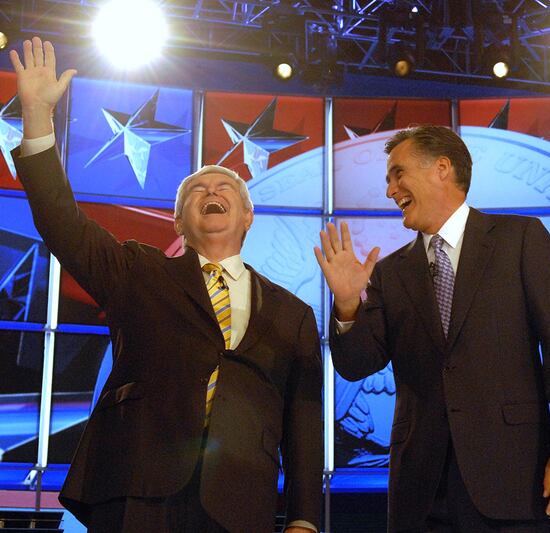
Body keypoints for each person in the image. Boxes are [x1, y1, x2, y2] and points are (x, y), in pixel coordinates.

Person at [9, 37, 321, 532]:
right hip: (136, 488)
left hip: (242, 501)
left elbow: (303, 421)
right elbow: (62, 223)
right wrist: (37, 118)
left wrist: (304, 518)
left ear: (248, 217)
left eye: (225, 187)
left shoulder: (293, 314)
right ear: (178, 222)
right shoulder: (138, 271)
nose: (212, 190)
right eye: (197, 190)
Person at [315, 125, 550, 532]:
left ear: (442, 168)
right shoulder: (391, 272)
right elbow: (357, 365)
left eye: (398, 174)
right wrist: (346, 303)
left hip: (512, 479)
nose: (390, 190)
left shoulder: (520, 239)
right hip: (421, 493)